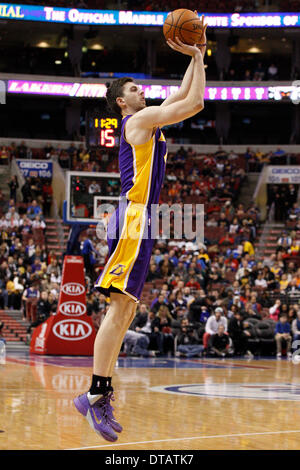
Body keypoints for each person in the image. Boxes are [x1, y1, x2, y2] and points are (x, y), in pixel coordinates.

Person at [74, 17, 207, 442]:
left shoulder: (148, 120)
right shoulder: (138, 122)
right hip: (133, 217)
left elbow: (182, 92)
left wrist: (195, 55)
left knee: (126, 310)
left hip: (141, 219)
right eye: (132, 89)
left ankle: (98, 395)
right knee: (118, 310)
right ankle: (95, 395)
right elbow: (195, 103)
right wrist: (199, 55)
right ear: (121, 103)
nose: (141, 91)